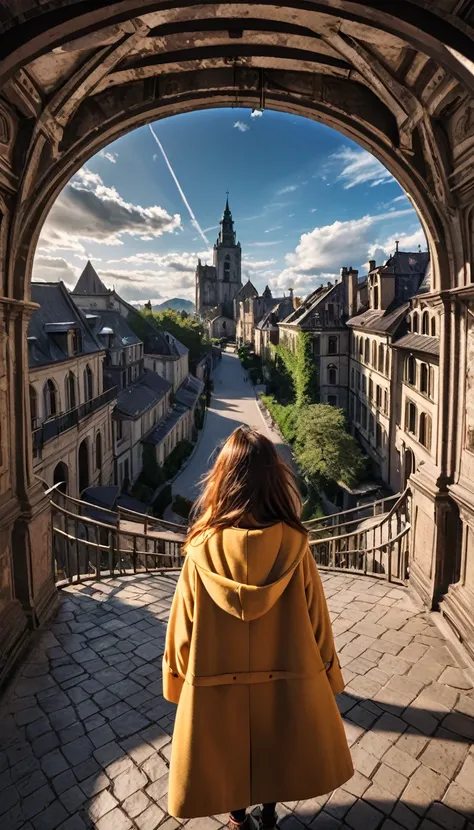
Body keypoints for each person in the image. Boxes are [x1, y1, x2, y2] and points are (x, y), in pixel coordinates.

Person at [163, 426, 353, 829]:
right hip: (284, 675)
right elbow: (318, 620)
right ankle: (268, 812)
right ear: (274, 482)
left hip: (216, 681)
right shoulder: (295, 546)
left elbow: (181, 626)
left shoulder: (201, 551)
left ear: (222, 482)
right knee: (273, 741)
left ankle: (236, 817)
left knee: (229, 749)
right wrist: (328, 676)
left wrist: (176, 678)